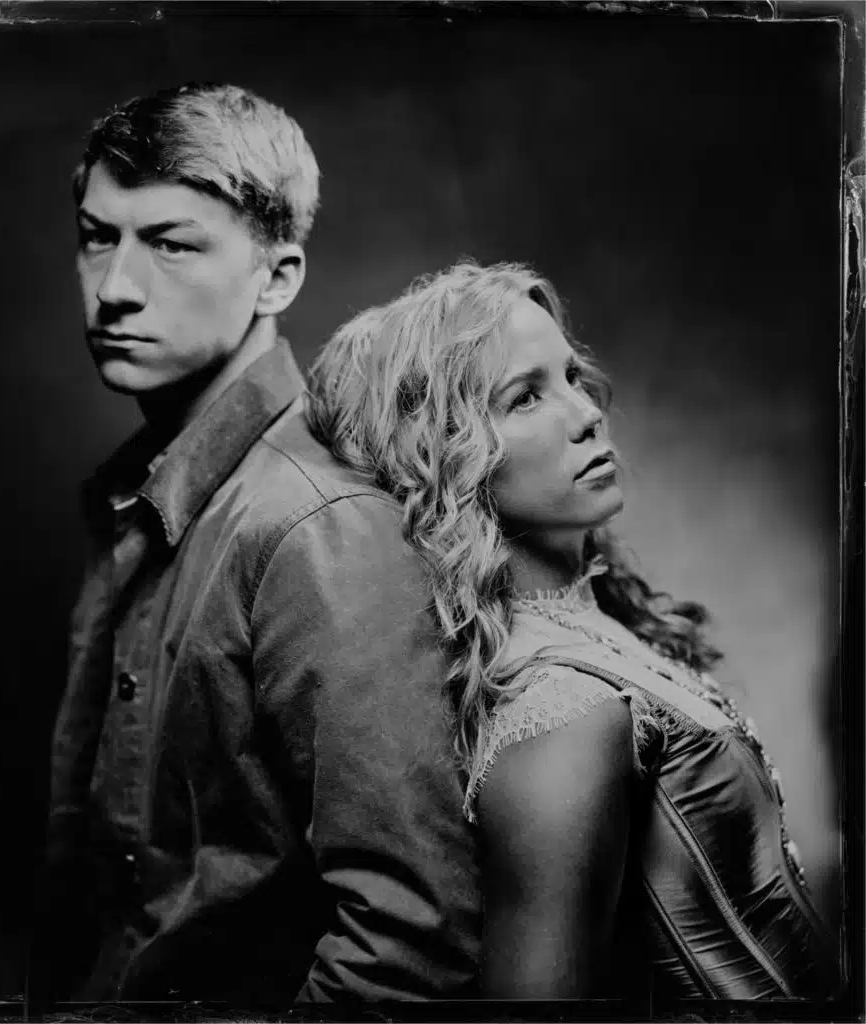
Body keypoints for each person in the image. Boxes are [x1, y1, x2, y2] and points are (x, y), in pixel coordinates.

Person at [37, 84, 480, 1004]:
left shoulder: (316, 524)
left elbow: (411, 942)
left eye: (172, 244)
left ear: (276, 279)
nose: (115, 288)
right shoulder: (137, 493)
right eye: (97, 237)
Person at [304, 261, 839, 1002]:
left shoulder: (591, 622)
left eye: (571, 376)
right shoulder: (562, 711)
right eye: (525, 396)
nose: (586, 411)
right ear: (442, 454)